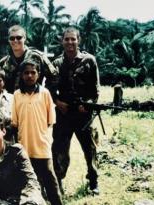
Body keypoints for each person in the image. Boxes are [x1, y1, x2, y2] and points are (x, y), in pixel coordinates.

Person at [51, 27, 100, 195]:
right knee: (59, 150)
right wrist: (57, 102)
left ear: (79, 40)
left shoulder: (89, 60)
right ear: (62, 41)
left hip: (84, 115)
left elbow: (95, 91)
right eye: (67, 39)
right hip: (63, 115)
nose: (70, 42)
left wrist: (87, 104)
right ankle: (58, 182)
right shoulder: (56, 64)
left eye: (73, 39)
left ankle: (93, 181)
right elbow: (49, 89)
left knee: (90, 148)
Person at [11, 60, 62, 205]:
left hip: (42, 146)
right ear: (21, 75)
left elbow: (49, 120)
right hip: (24, 146)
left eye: (33, 72)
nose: (29, 75)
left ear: (38, 75)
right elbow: (15, 122)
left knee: (50, 181)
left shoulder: (45, 94)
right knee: (26, 181)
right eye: (26, 72)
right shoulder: (16, 95)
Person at [0, 25, 59, 100]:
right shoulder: (3, 63)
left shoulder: (37, 57)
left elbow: (54, 77)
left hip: (33, 104)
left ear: (24, 38)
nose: (15, 41)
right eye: (12, 38)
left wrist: (43, 96)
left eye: (19, 37)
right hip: (10, 106)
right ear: (9, 40)